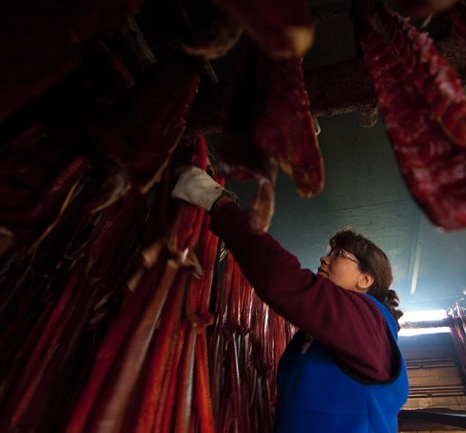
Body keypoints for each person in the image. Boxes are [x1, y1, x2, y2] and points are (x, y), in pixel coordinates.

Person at [172, 166, 409, 433]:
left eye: (339, 254)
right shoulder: (320, 336)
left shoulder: (369, 323)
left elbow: (283, 281)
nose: (325, 258)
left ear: (365, 280)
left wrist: (219, 203)